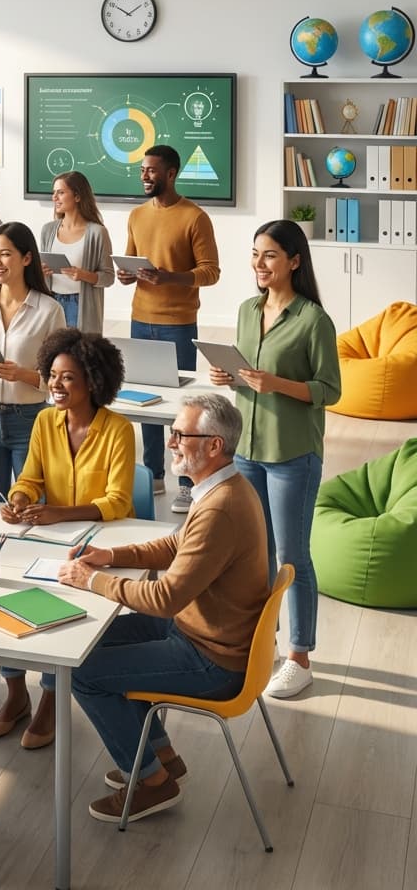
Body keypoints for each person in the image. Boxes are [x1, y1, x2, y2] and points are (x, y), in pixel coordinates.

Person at [56, 394, 268, 824]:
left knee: (82, 671)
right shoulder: (220, 487)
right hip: (198, 631)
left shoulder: (221, 508)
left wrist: (92, 581)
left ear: (213, 446)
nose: (170, 442)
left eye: (180, 435)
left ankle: (153, 782)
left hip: (212, 658)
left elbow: (166, 597)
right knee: (90, 643)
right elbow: (175, 546)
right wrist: (111, 556)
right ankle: (162, 755)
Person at [208, 220, 340, 699]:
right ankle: (260, 645)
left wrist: (275, 384)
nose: (259, 264)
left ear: (294, 262)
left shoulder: (313, 321)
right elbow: (247, 372)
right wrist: (232, 379)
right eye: (255, 254)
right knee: (253, 556)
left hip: (292, 455)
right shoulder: (247, 310)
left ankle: (300, 657)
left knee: (291, 556)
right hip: (248, 450)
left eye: (269, 256)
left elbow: (330, 390)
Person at [0, 329, 135, 749]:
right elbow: (31, 477)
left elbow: (118, 502)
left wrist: (59, 512)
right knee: (10, 601)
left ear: (92, 380)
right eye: (52, 375)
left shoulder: (118, 430)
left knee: (63, 614)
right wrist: (18, 497)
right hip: (48, 538)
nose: (55, 385)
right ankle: (16, 694)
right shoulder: (44, 421)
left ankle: (51, 698)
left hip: (99, 544)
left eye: (68, 377)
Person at [116, 146, 220, 513]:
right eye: (142, 170)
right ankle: (154, 473)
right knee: (143, 400)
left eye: (152, 171)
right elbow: (130, 267)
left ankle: (187, 481)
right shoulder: (136, 215)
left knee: (179, 406)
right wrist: (127, 275)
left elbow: (210, 271)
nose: (145, 176)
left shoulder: (195, 217)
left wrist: (168, 278)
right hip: (140, 318)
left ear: (172, 174)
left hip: (177, 322)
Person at [0, 221, 63, 500]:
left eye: (5, 254)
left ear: (27, 258)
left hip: (29, 420)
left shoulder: (49, 310)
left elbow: (59, 378)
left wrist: (22, 375)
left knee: (33, 503)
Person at [39, 171, 115, 332]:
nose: (54, 198)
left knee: (80, 354)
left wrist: (83, 275)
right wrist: (40, 271)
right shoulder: (48, 230)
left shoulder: (97, 232)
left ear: (78, 196)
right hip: (52, 301)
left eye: (60, 192)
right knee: (53, 354)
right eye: (54, 193)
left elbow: (108, 278)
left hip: (80, 304)